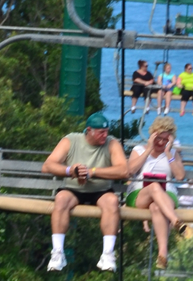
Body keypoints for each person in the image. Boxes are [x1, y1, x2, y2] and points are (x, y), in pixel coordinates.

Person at [42, 112, 128, 272]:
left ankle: (108, 254)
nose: (105, 135)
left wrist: (92, 172)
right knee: (61, 199)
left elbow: (123, 171)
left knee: (112, 202)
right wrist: (71, 170)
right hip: (73, 189)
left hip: (100, 191)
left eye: (107, 131)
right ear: (89, 130)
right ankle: (57, 252)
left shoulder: (112, 143)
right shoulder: (71, 140)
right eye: (101, 132)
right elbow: (48, 166)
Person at [126, 116, 185, 269]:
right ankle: (175, 220)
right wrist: (149, 149)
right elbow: (130, 171)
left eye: (165, 139)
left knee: (156, 208)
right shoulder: (139, 150)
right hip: (141, 193)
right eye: (158, 138)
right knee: (153, 187)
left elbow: (179, 176)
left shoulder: (172, 153)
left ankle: (162, 254)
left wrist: (168, 153)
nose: (161, 142)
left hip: (167, 194)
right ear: (152, 135)